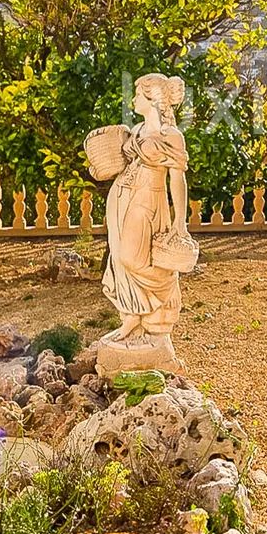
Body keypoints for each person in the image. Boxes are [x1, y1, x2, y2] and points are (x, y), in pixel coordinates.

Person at [100, 73, 196, 342]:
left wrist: (180, 220)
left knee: (133, 259)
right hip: (121, 197)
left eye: (138, 95)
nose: (133, 100)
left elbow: (177, 179)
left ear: (153, 99)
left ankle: (166, 289)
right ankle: (131, 317)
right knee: (118, 258)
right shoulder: (138, 130)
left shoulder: (172, 136)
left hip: (148, 200)